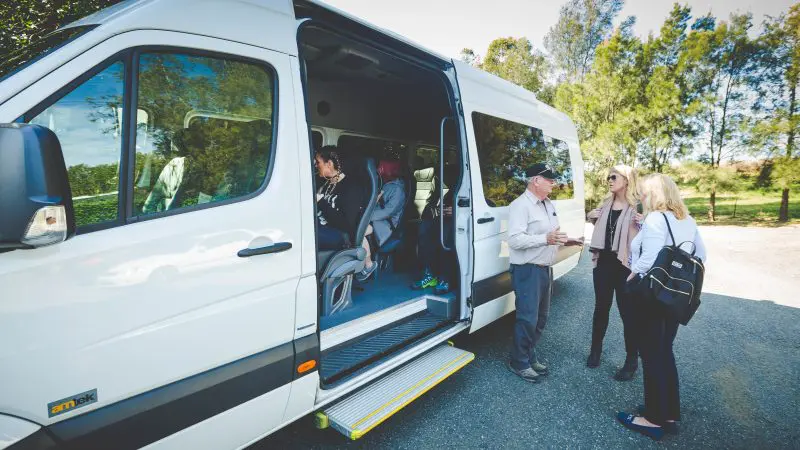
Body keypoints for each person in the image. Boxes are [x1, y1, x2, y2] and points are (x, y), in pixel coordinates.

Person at [616, 173, 706, 440]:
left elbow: (649, 258)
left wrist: (631, 278)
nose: (641, 196)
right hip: (674, 296)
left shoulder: (656, 218)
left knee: (652, 354)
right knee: (664, 351)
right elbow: (701, 255)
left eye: (644, 192)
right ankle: (668, 412)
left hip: (651, 294)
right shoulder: (686, 219)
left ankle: (653, 419)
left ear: (654, 194)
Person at [506, 163, 580, 383]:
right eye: (549, 179)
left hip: (545, 268)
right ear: (535, 180)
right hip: (527, 270)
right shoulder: (520, 205)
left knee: (541, 318)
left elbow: (552, 234)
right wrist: (544, 239)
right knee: (527, 318)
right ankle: (518, 362)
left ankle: (528, 354)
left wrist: (567, 240)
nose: (553, 183)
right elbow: (515, 240)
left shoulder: (547, 204)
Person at [586, 165, 643, 381]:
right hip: (604, 264)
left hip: (625, 267)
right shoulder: (605, 204)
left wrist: (644, 224)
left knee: (628, 315)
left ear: (627, 180)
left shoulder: (638, 207)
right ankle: (595, 351)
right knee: (601, 309)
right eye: (608, 177)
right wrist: (592, 217)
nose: (609, 180)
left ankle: (631, 361)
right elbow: (604, 230)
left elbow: (649, 235)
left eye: (613, 177)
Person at [411, 164, 458, 295]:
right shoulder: (442, 192)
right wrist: (436, 210)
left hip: (458, 226)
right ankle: (430, 275)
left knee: (446, 239)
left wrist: (456, 212)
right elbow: (428, 209)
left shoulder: (462, 190)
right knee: (424, 233)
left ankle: (446, 279)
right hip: (440, 223)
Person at [357, 159, 407, 281]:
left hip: (385, 226)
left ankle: (367, 265)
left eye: (381, 168)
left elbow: (388, 212)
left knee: (359, 232)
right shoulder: (383, 184)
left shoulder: (398, 190)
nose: (378, 171)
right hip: (375, 221)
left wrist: (366, 216)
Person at [314, 146, 365, 250]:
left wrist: (321, 202)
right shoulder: (327, 183)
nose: (316, 166)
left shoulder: (351, 187)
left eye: (318, 163)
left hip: (340, 235)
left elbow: (346, 224)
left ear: (329, 164)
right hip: (322, 226)